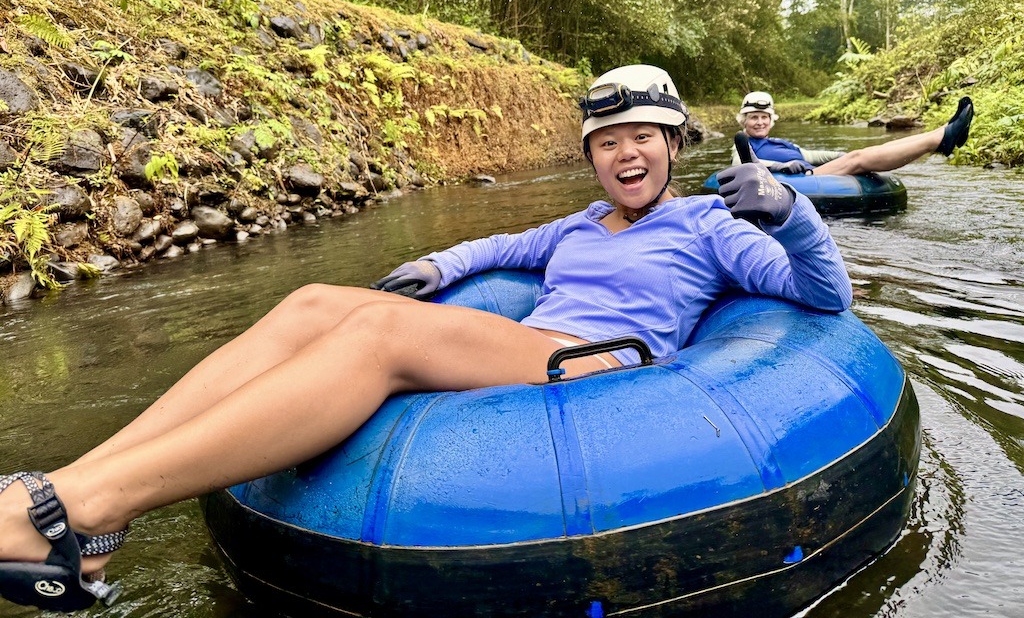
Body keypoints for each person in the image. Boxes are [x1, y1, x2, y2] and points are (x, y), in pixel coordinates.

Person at [0, 65, 853, 613]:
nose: (625, 156)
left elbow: (824, 295)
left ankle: (96, 506)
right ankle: (70, 494)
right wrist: (436, 266)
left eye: (642, 139)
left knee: (375, 333)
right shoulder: (583, 225)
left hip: (600, 370)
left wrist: (791, 213)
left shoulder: (711, 224)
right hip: (535, 340)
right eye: (607, 143)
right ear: (591, 156)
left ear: (672, 145)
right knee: (308, 303)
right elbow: (499, 250)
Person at [731, 91, 975, 175]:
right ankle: (941, 139)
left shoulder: (779, 141)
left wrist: (839, 154)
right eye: (754, 118)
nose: (760, 122)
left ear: (771, 120)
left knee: (859, 153)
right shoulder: (743, 144)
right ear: (744, 120)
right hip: (803, 178)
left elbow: (813, 153)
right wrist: (781, 167)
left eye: (764, 117)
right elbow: (741, 164)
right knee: (858, 159)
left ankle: (941, 134)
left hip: (811, 170)